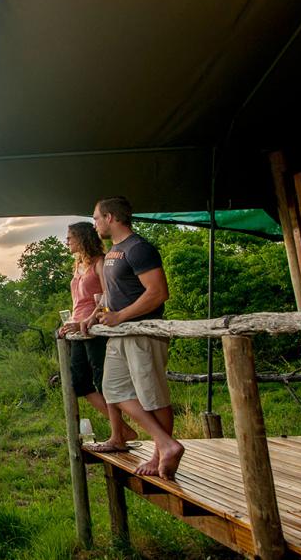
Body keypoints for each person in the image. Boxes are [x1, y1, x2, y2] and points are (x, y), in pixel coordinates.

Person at [84, 196, 184, 480]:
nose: (95, 224)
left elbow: (157, 292)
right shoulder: (115, 250)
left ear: (111, 218)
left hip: (143, 331)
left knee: (152, 395)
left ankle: (159, 454)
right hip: (120, 332)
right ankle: (166, 443)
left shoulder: (139, 248)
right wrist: (97, 314)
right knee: (113, 389)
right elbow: (114, 294)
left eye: (96, 218)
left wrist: (120, 316)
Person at [57, 222, 137, 451]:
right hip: (78, 331)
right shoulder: (78, 265)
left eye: (70, 237)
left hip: (97, 328)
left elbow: (107, 297)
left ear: (82, 238)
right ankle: (123, 429)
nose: (67, 241)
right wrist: (70, 323)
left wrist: (90, 318)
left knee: (104, 382)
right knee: (80, 383)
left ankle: (117, 436)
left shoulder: (101, 263)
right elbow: (79, 301)